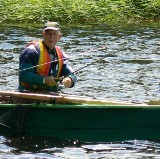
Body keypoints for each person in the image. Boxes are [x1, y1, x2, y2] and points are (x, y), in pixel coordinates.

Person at [18, 21, 77, 93]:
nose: (51, 36)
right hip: (28, 94)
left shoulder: (62, 55)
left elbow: (72, 75)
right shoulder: (31, 51)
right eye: (48, 33)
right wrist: (44, 80)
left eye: (54, 34)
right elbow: (23, 75)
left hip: (51, 95)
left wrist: (69, 80)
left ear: (59, 36)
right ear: (43, 34)